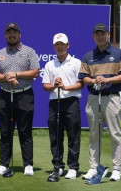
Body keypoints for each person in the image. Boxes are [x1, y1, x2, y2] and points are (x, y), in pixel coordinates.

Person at [78, 23, 121, 182]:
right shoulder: (89, 56)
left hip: (111, 98)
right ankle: (93, 167)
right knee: (95, 134)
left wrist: (106, 80)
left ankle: (116, 169)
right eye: (97, 34)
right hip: (94, 97)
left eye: (102, 34)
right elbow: (84, 77)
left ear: (108, 35)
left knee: (115, 134)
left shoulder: (119, 53)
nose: (100, 36)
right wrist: (95, 80)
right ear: (93, 37)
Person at [0, 22, 40, 176]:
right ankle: (4, 164)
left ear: (20, 35)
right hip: (4, 95)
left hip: (24, 95)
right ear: (5, 35)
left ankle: (28, 165)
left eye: (14, 32)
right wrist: (7, 77)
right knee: (6, 131)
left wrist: (16, 74)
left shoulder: (29, 51)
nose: (12, 35)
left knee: (25, 131)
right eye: (9, 32)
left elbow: (35, 72)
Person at [42, 33, 84, 181]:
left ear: (68, 45)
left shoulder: (76, 62)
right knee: (55, 136)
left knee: (73, 135)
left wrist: (65, 87)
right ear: (54, 46)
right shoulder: (49, 64)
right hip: (55, 102)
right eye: (57, 45)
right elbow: (45, 85)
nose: (60, 47)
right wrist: (54, 85)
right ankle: (58, 166)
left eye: (62, 44)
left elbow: (81, 84)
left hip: (71, 102)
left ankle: (73, 167)